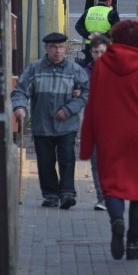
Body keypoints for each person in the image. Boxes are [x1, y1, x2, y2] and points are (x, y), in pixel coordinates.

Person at [80, 21, 138, 261]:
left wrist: (87, 145)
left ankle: (117, 220)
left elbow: (92, 107)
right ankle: (132, 244)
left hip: (109, 134)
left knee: (112, 186)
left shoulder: (102, 66)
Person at [12, 32, 89, 209]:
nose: (58, 51)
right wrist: (20, 107)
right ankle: (51, 194)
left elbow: (85, 93)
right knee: (45, 161)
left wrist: (69, 109)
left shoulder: (75, 70)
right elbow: (20, 91)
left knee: (67, 159)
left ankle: (67, 193)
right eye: (53, 47)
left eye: (61, 47)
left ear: (65, 48)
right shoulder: (35, 69)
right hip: (42, 124)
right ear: (46, 48)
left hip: (67, 125)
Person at [83, 35, 109, 211]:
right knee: (96, 162)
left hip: (114, 125)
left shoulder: (116, 71)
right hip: (93, 124)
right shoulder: (85, 73)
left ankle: (112, 194)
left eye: (102, 52)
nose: (98, 56)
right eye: (95, 52)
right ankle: (102, 197)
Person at [75, 0, 120, 65]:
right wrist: (103, 36)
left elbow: (78, 26)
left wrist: (88, 35)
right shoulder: (112, 13)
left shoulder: (89, 11)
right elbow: (117, 29)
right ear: (109, 2)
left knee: (90, 69)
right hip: (106, 46)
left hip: (90, 45)